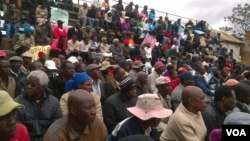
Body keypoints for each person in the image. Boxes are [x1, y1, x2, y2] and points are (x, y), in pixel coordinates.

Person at [44, 89, 108, 141]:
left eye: (94, 106)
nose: (94, 111)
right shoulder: (55, 134)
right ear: (73, 111)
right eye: (88, 108)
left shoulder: (98, 125)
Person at [15, 70, 62, 141]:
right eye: (27, 83)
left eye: (33, 85)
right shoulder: (18, 102)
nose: (28, 86)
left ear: (42, 87)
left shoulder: (54, 102)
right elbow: (17, 126)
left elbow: (56, 125)